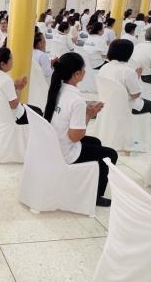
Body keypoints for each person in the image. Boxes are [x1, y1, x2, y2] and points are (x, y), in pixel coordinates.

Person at [43, 52, 115, 207]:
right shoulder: (77, 100)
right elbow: (75, 137)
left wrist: (86, 114)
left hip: (53, 144)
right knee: (110, 154)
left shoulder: (57, 89)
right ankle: (95, 196)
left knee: (96, 142)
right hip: (65, 151)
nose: (85, 72)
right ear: (76, 74)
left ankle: (87, 180)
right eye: (83, 70)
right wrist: (88, 115)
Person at [100, 39, 151, 120]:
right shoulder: (128, 71)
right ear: (128, 53)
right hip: (125, 105)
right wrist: (137, 76)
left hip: (107, 102)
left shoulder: (104, 67)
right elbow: (135, 94)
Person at [0, 47, 40, 124]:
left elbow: (3, 91)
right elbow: (14, 105)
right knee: (39, 112)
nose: (13, 61)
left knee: (36, 110)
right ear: (2, 64)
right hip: (12, 116)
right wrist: (19, 88)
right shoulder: (6, 80)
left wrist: (15, 86)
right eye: (11, 59)